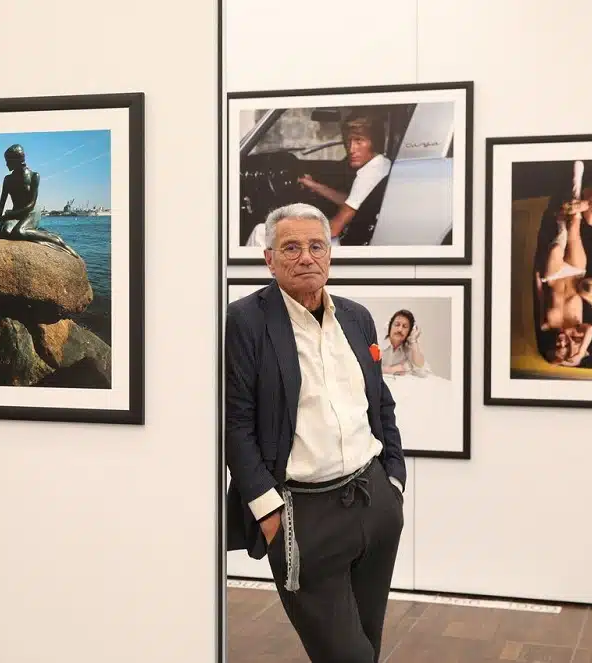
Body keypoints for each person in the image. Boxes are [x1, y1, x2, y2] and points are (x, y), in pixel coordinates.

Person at [224, 202, 407, 663]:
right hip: (300, 515)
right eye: (290, 247)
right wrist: (269, 513)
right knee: (346, 655)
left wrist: (395, 480)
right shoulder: (245, 320)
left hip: (374, 501)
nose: (306, 257)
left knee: (368, 642)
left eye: (316, 246)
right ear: (268, 259)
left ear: (330, 253)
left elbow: (379, 401)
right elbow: (236, 422)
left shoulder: (356, 316)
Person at [298, 110, 392, 244]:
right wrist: (313, 185)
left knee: (262, 232)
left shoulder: (368, 173)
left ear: (375, 142)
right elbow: (352, 201)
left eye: (359, 141)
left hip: (345, 244)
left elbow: (334, 229)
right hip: (360, 237)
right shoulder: (382, 164)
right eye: (348, 141)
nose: (351, 149)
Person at [0, 144, 81, 259]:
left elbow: (31, 204)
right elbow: (1, 204)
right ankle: (34, 232)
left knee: (19, 232)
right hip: (17, 213)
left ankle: (55, 239)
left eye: (8, 161)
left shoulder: (34, 176)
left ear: (17, 160)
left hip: (31, 212)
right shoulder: (8, 179)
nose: (6, 164)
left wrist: (11, 214)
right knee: (4, 231)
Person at [381, 309, 430, 376]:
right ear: (389, 326)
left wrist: (413, 340)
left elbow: (422, 372)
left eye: (405, 327)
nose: (400, 329)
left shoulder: (410, 348)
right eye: (397, 324)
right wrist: (391, 369)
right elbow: (366, 368)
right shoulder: (378, 343)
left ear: (410, 331)